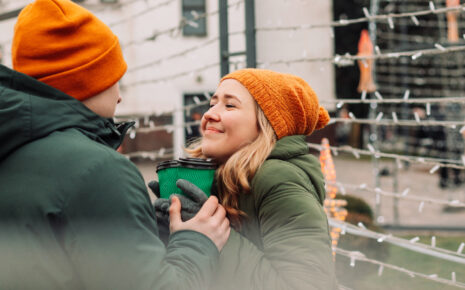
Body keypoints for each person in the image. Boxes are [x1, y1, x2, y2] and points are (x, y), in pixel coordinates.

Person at [0, 0, 230, 289]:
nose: (119, 96)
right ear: (88, 82)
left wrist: (152, 228)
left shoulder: (12, 146)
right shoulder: (97, 170)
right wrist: (198, 243)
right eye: (115, 78)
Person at [155, 68, 338, 289]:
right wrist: (172, 231)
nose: (209, 114)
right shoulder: (219, 177)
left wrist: (214, 237)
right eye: (213, 104)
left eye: (229, 105)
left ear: (266, 125)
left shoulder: (279, 179)